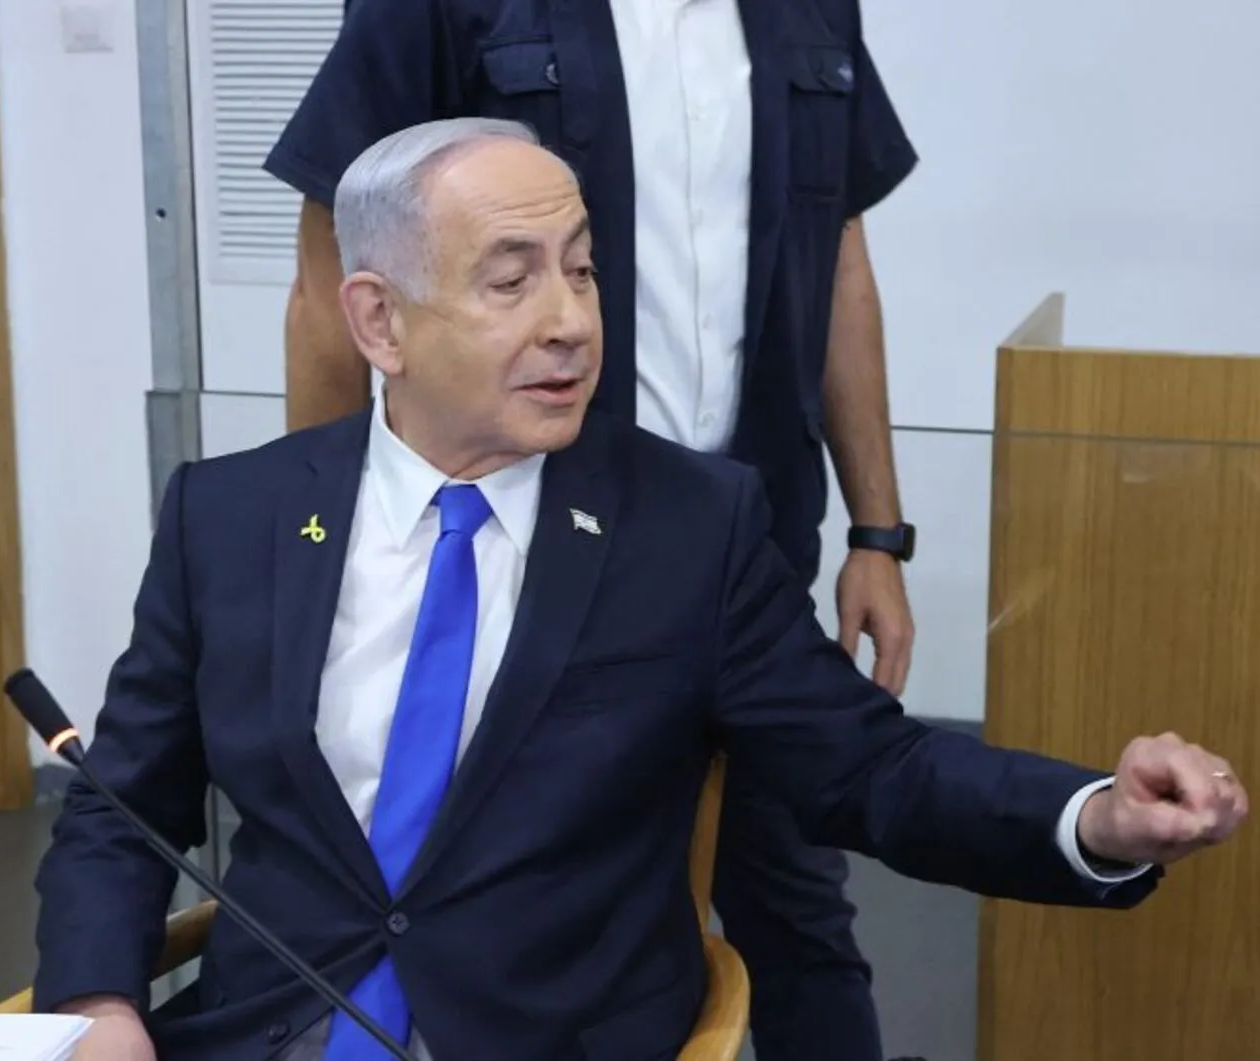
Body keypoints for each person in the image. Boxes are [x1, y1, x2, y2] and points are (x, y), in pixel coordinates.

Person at [35, 121, 1248, 1061]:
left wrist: (1094, 816)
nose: (570, 321)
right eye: (511, 281)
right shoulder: (231, 514)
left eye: (582, 269)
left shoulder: (687, 527)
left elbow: (870, 768)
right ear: (380, 322)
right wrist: (97, 1001)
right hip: (269, 1033)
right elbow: (118, 803)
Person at [268, 4, 922, 1056]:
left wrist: (877, 533)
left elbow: (841, 260)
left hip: (744, 558)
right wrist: (324, 550)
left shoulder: (810, 12)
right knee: (504, 915)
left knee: (800, 911)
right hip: (518, 558)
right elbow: (328, 281)